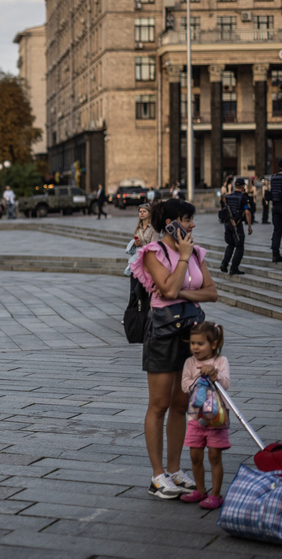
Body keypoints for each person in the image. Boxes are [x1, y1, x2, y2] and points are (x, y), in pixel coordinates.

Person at [129, 198, 218, 499]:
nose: (192, 225)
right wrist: (182, 259)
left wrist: (179, 288)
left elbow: (212, 292)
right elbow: (165, 290)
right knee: (159, 405)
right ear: (170, 223)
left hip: (190, 333)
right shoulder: (153, 252)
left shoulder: (197, 252)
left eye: (192, 219)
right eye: (187, 219)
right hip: (163, 332)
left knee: (181, 404)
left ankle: (175, 470)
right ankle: (157, 476)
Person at [180, 322, 230, 510]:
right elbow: (185, 386)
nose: (195, 347)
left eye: (200, 344)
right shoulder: (189, 363)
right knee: (195, 456)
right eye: (193, 343)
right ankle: (200, 490)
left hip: (216, 420)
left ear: (214, 344)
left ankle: (216, 494)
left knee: (215, 456)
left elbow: (226, 384)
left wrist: (215, 374)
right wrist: (200, 378)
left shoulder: (221, 361)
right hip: (195, 419)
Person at [220, 178, 252, 275]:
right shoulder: (243, 197)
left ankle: (224, 264)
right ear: (243, 186)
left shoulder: (228, 197)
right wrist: (249, 226)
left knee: (230, 244)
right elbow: (247, 211)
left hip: (228, 224)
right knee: (239, 246)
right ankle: (234, 268)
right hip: (237, 224)